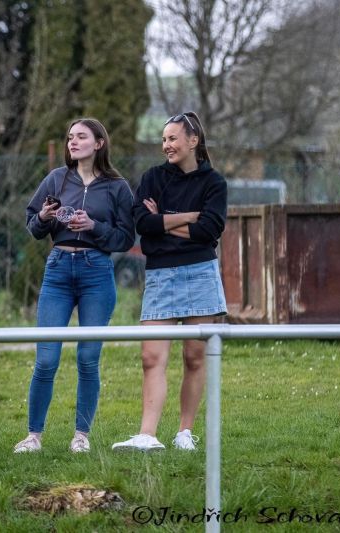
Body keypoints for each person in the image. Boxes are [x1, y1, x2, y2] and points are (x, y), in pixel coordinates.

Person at [14, 118, 135, 454]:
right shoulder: (56, 178)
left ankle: (81, 436)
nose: (73, 141)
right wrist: (45, 218)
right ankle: (33, 436)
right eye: (69, 137)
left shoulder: (117, 187)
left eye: (81, 136)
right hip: (58, 270)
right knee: (46, 359)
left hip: (97, 272)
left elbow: (125, 238)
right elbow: (33, 226)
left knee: (87, 358)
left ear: (99, 143)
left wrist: (93, 226)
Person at [112, 111, 227, 453]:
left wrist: (164, 219)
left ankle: (184, 433)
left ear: (194, 141)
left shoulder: (214, 183)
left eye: (173, 138)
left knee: (195, 357)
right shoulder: (152, 178)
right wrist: (188, 218)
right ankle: (147, 436)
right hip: (160, 274)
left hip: (200, 273)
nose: (166, 145)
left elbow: (210, 230)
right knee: (151, 356)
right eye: (164, 139)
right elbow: (143, 224)